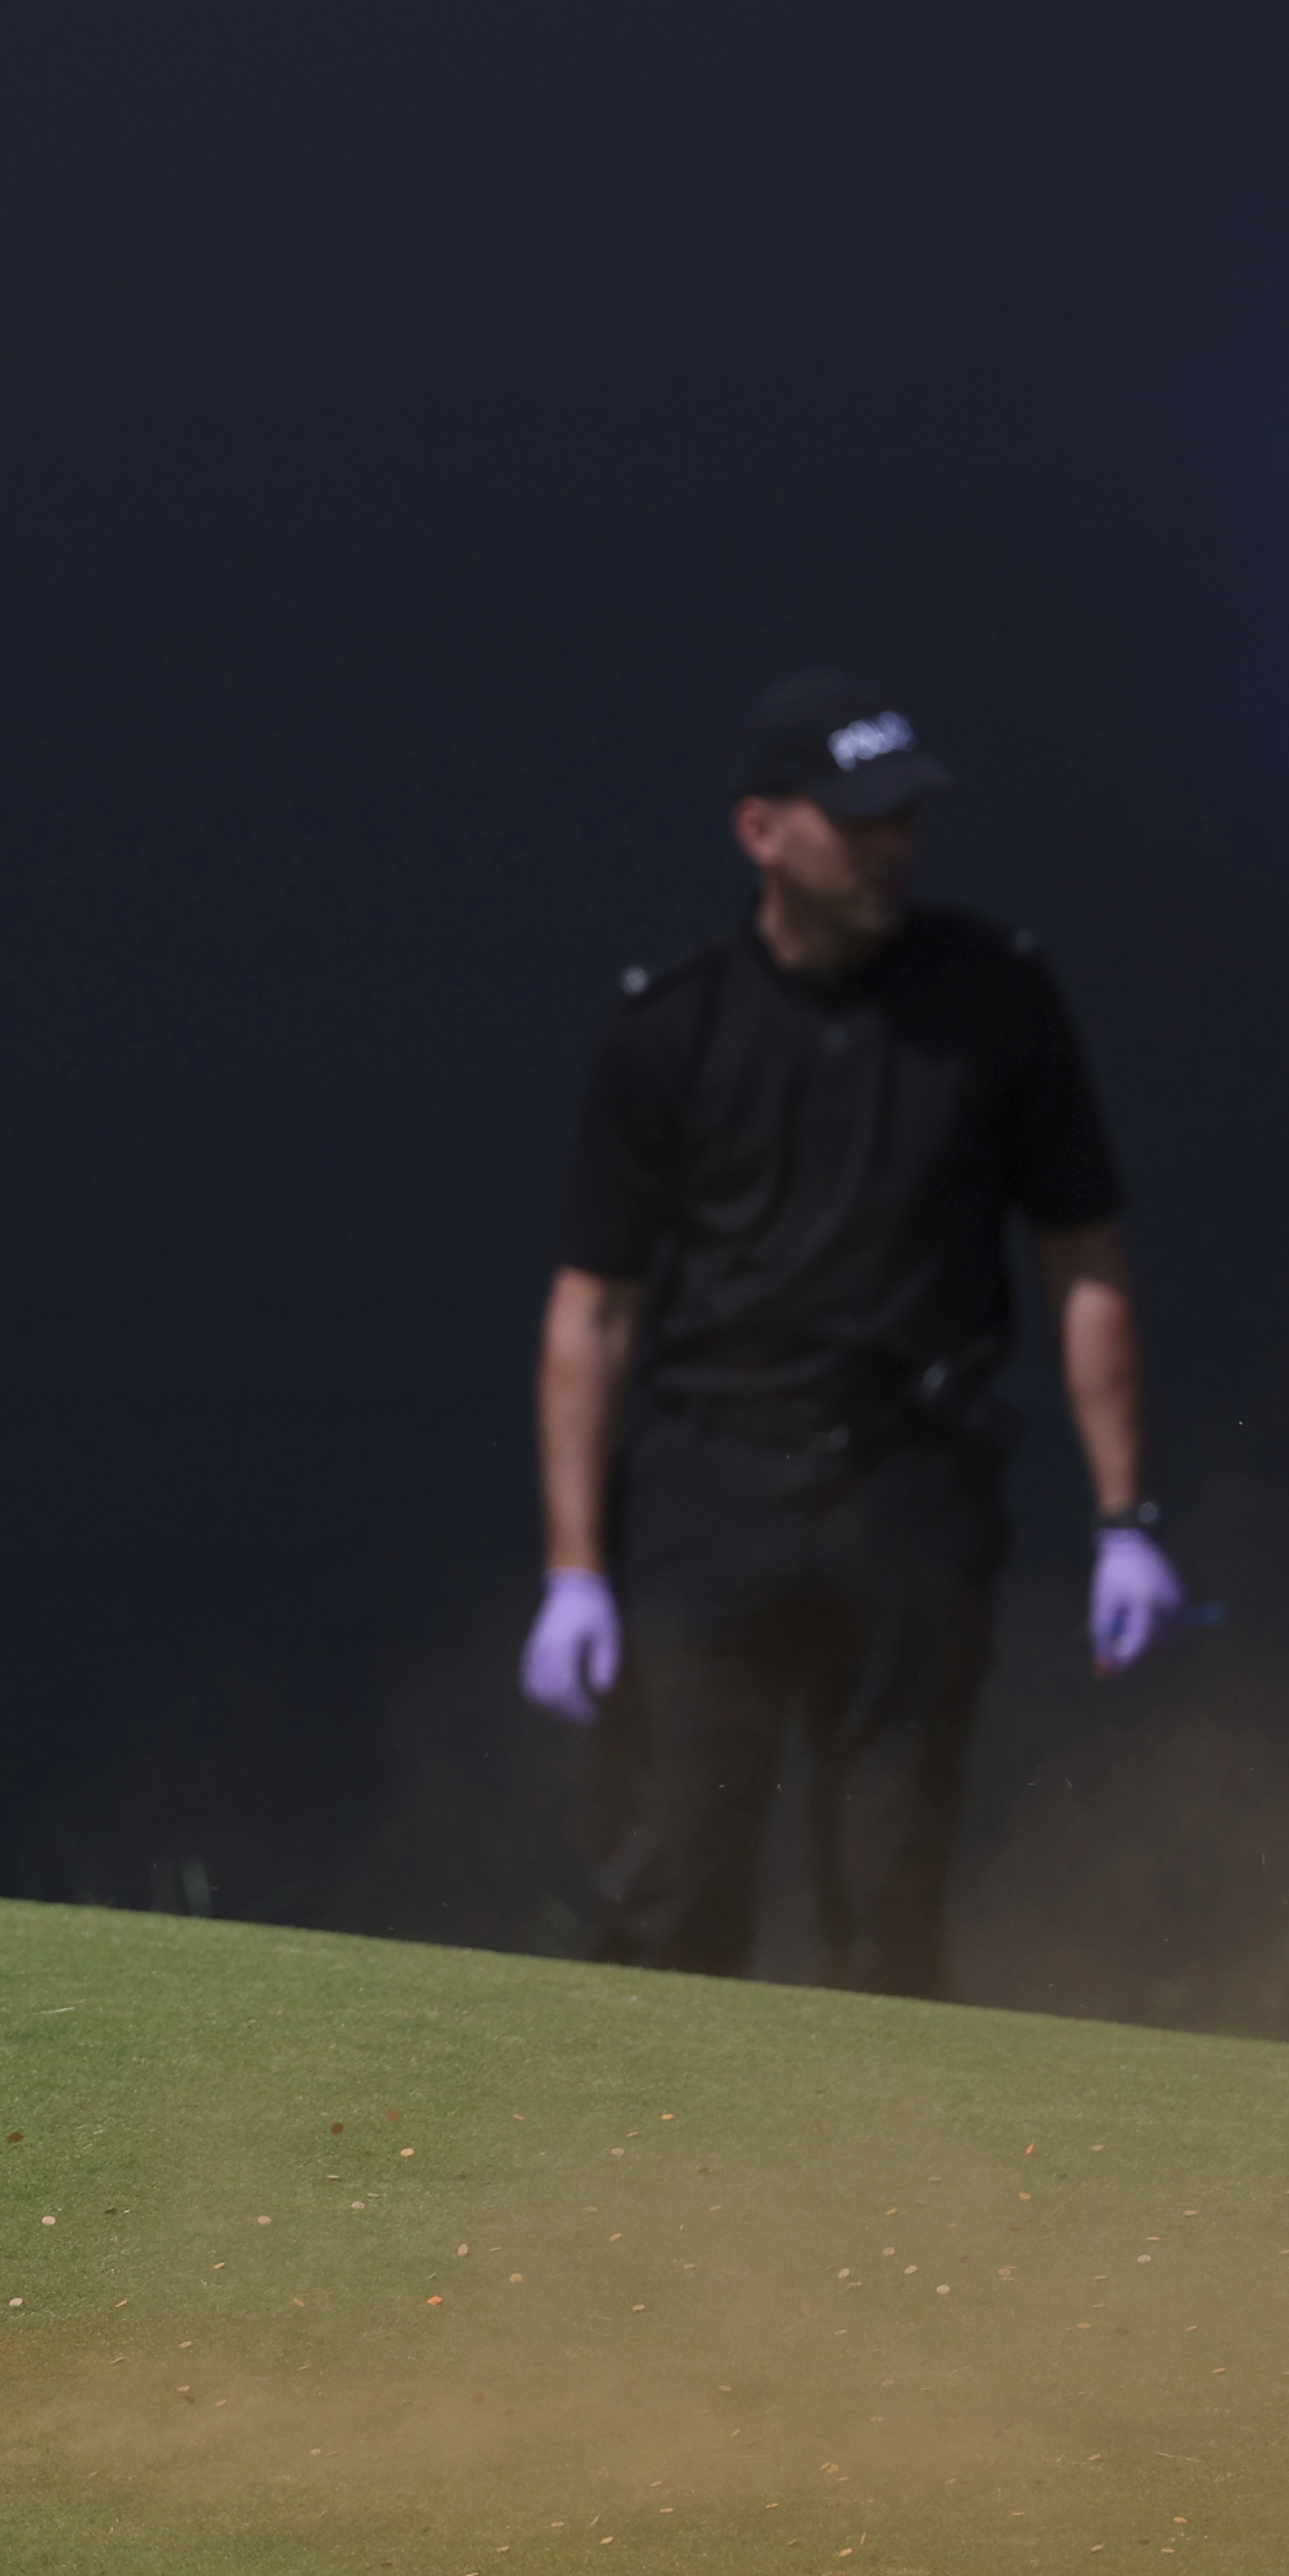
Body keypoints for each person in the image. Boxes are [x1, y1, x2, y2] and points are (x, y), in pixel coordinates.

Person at [515, 673, 1187, 1996]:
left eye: (905, 817)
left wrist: (1125, 1522)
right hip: (714, 1497)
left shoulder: (995, 998)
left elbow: (1081, 1258)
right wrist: (574, 1569)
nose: (892, 845)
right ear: (761, 832)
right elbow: (590, 1308)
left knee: (885, 1911)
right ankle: (635, 2191)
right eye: (856, 818)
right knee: (669, 1896)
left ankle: (876, 2201)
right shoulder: (670, 1025)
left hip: (913, 1489)